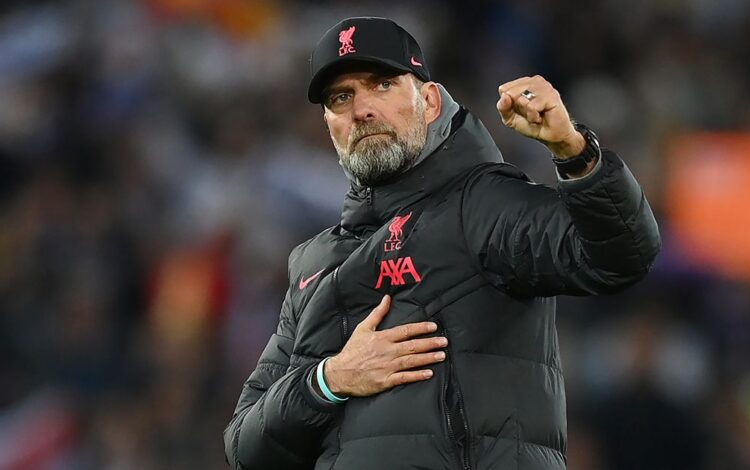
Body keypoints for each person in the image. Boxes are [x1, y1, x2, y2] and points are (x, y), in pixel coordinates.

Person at [224, 16, 660, 470]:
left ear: (430, 101)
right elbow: (246, 450)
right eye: (342, 97)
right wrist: (329, 379)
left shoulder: (481, 204)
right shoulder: (313, 263)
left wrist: (574, 152)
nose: (362, 108)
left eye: (383, 85)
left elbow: (620, 256)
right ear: (329, 124)